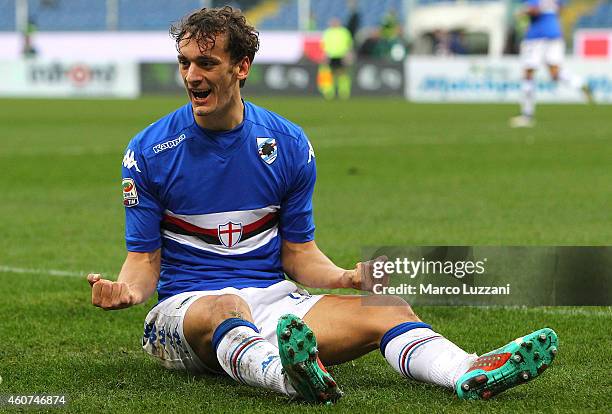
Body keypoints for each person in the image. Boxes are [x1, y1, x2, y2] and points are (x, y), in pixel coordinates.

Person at [88, 6, 558, 404]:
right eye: (185, 63)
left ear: (241, 67)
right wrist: (127, 292)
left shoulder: (288, 144)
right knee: (225, 305)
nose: (192, 76)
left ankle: (467, 371)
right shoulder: (149, 150)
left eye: (206, 63)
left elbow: (297, 253)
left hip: (272, 302)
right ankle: (285, 377)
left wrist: (345, 279)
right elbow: (144, 260)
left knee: (386, 307)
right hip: (184, 313)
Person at [510, 0, 594, 128]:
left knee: (528, 73)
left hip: (537, 37)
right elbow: (561, 9)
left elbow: (535, 10)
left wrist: (522, 12)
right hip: (554, 33)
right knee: (555, 72)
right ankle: (580, 83)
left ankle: (527, 115)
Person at [320, 18, 353, 100]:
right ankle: (328, 92)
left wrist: (348, 54)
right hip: (330, 56)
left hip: (341, 55)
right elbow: (323, 45)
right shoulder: (327, 32)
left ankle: (344, 92)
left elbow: (349, 44)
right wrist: (324, 55)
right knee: (328, 74)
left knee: (342, 74)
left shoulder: (344, 32)